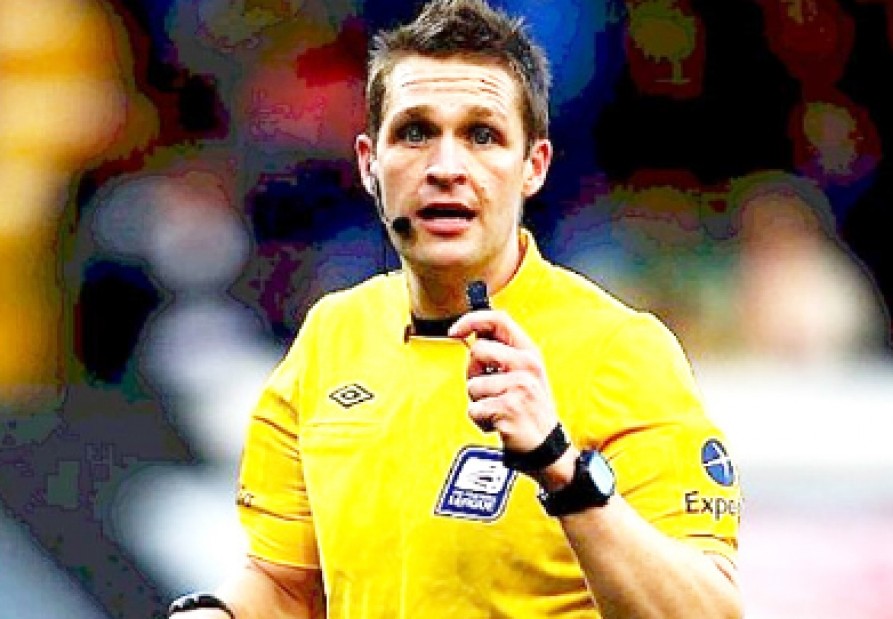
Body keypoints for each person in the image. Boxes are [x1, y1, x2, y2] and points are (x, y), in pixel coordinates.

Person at [167, 1, 743, 617]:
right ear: (368, 163)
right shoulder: (332, 336)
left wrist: (559, 465)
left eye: (482, 135)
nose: (446, 168)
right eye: (415, 132)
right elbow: (284, 585)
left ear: (534, 167)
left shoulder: (619, 351)